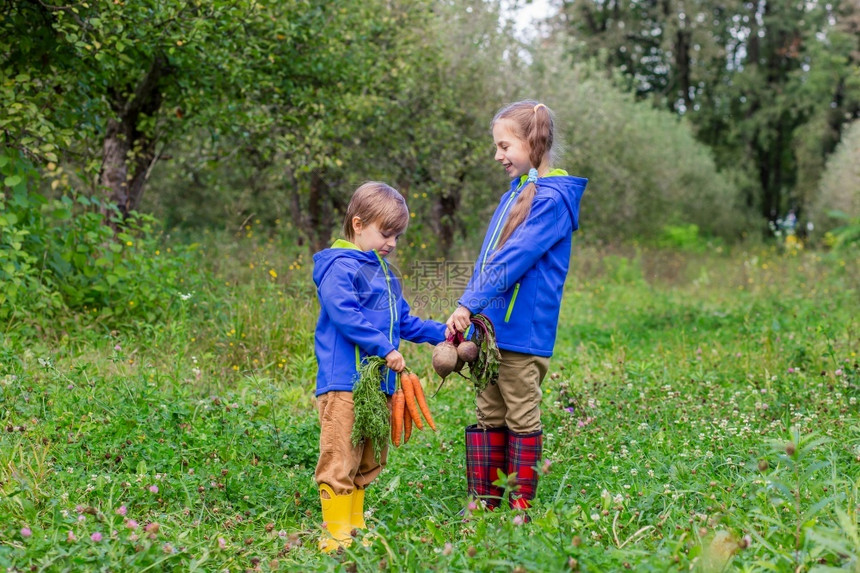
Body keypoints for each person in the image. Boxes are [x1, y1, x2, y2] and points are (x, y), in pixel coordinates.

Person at [445, 100, 587, 516]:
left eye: (504, 145)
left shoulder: (551, 201)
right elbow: (488, 263)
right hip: (491, 333)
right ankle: (486, 504)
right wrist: (467, 315)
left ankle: (520, 509)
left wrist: (468, 304)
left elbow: (514, 260)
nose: (497, 155)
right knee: (489, 412)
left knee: (521, 416)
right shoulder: (515, 196)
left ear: (532, 142)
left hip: (522, 336)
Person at [312, 181, 446, 552]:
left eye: (397, 236)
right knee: (341, 455)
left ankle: (353, 526)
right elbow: (345, 313)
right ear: (358, 224)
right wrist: (385, 349)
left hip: (378, 387)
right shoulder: (339, 266)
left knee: (367, 457)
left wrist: (445, 334)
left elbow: (405, 321)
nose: (392, 242)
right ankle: (334, 535)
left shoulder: (386, 273)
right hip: (344, 384)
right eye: (385, 233)